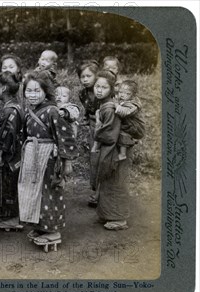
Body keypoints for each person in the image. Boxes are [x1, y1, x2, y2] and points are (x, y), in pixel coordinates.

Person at [18, 71, 77, 251]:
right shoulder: (29, 111)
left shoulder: (53, 111)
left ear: (46, 91)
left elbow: (65, 136)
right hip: (32, 155)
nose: (33, 95)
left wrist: (67, 162)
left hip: (48, 158)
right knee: (33, 191)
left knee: (49, 192)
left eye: (37, 91)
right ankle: (40, 226)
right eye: (29, 91)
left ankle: (52, 231)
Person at [92, 70, 132, 231]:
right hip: (112, 147)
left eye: (104, 87)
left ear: (111, 90)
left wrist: (97, 127)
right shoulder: (107, 105)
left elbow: (109, 134)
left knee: (115, 181)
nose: (99, 90)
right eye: (97, 86)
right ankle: (108, 214)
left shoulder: (109, 108)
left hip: (115, 150)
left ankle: (119, 218)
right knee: (108, 182)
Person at [0, 71, 26, 231]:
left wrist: (0, 153)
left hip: (11, 155)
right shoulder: (16, 105)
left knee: (9, 185)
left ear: (3, 88)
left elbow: (7, 135)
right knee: (12, 184)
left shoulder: (10, 110)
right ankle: (12, 216)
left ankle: (12, 219)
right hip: (18, 152)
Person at [77, 60, 101, 207]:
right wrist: (86, 118)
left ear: (96, 76)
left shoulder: (103, 90)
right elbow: (87, 109)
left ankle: (101, 193)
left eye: (88, 76)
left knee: (102, 160)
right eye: (82, 76)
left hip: (106, 127)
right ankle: (96, 190)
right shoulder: (82, 93)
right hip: (93, 127)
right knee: (94, 159)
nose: (85, 79)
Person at [114, 80, 145, 160]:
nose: (123, 95)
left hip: (135, 126)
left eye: (127, 93)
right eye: (121, 92)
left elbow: (125, 112)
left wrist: (116, 105)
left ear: (133, 95)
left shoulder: (134, 104)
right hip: (129, 123)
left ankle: (122, 154)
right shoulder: (125, 99)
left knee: (123, 134)